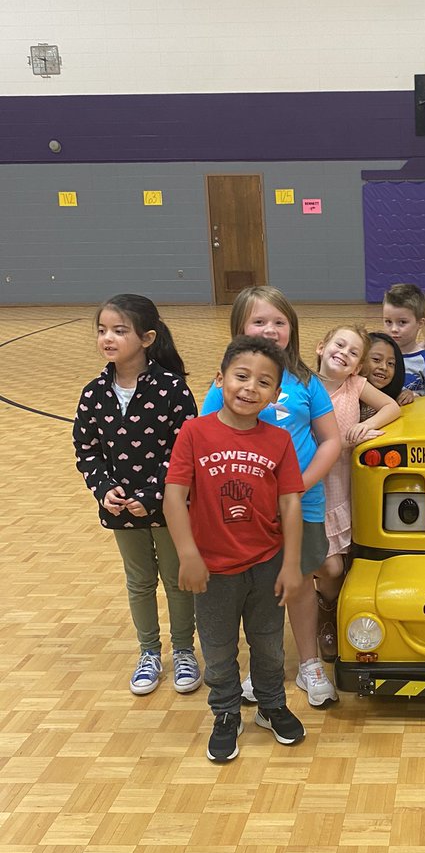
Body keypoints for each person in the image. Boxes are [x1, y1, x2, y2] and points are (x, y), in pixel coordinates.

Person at [165, 336, 306, 761]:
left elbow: (290, 503)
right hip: (212, 568)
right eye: (241, 376)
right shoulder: (194, 431)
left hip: (266, 563)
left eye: (263, 382)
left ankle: (270, 705)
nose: (249, 388)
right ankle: (226, 712)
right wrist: (188, 555)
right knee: (219, 647)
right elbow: (174, 496)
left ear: (276, 393)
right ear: (220, 378)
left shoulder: (278, 440)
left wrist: (293, 564)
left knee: (268, 644)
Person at [200, 286, 341, 708]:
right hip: (246, 512)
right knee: (257, 588)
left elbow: (331, 440)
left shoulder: (305, 382)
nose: (270, 330)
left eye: (279, 322)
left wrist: (299, 484)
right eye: (259, 321)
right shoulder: (223, 385)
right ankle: (263, 668)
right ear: (240, 329)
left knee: (296, 582)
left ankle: (310, 664)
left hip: (302, 505)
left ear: (292, 330)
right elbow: (205, 443)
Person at [73, 293, 200, 696]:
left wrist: (153, 494)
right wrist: (103, 490)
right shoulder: (93, 393)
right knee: (139, 581)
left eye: (119, 330)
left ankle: (183, 650)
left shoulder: (171, 388)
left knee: (177, 579)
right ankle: (149, 651)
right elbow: (86, 450)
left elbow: (184, 450)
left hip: (170, 507)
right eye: (102, 330)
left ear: (146, 338)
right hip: (120, 509)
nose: (107, 338)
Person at [313, 324, 402, 659]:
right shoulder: (304, 385)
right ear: (321, 347)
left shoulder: (355, 385)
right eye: (339, 345)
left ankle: (350, 620)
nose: (344, 354)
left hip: (345, 485)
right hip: (315, 487)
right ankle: (327, 613)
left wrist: (367, 424)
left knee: (353, 565)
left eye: (353, 354)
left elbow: (390, 406)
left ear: (357, 366)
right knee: (331, 567)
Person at [382, 282, 425, 402]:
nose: (394, 329)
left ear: (420, 323)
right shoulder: (376, 356)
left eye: (402, 322)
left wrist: (416, 397)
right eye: (388, 321)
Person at [358, 331, 405, 422]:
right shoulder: (349, 388)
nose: (384, 367)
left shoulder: (394, 396)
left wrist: (407, 394)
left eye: (390, 363)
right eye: (376, 359)